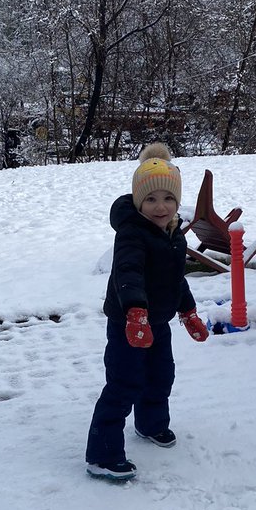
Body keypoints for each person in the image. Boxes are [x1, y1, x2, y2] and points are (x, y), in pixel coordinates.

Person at [85, 142, 209, 482]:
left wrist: (188, 312)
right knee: (124, 383)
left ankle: (151, 424)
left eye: (168, 198)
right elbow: (128, 275)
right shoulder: (132, 235)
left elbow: (174, 279)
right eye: (151, 199)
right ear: (138, 201)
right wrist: (136, 312)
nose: (160, 206)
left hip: (159, 322)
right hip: (129, 323)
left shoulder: (173, 235)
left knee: (160, 375)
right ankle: (103, 454)